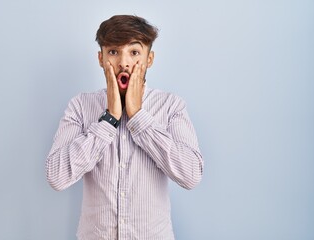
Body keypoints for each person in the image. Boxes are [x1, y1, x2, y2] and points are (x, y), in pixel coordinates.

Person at [46, 15, 204, 240]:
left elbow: (191, 175)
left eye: (134, 52)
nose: (123, 63)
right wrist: (109, 119)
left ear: (149, 59)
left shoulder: (171, 106)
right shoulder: (80, 106)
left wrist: (138, 117)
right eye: (113, 52)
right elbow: (56, 177)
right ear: (101, 59)